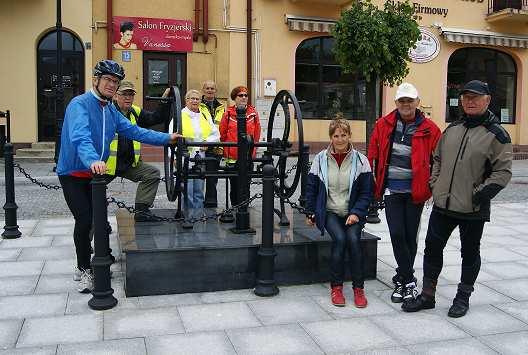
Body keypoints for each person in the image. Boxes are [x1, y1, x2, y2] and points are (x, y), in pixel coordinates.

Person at [57, 60, 180, 293]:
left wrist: (166, 138)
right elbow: (80, 136)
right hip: (74, 172)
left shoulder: (111, 110)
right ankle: (83, 269)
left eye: (115, 81)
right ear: (96, 80)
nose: (112, 85)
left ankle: (99, 260)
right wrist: (93, 159)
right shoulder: (79, 104)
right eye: (108, 80)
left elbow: (134, 131)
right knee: (84, 221)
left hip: (96, 176)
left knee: (99, 220)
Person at [402, 80, 513, 317]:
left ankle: (462, 297)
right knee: (432, 248)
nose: (469, 101)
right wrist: (435, 184)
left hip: (473, 208)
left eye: (475, 97)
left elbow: (502, 172)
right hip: (443, 205)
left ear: (487, 100)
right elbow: (438, 158)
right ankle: (428, 295)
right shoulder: (452, 128)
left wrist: (479, 195)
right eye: (465, 97)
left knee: (469, 253)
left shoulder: (497, 134)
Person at [368, 83, 441, 306]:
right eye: (402, 101)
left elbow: (438, 160)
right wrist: (372, 185)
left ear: (418, 102)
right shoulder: (384, 124)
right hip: (392, 189)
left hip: (415, 191)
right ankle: (409, 281)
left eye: (410, 101)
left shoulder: (430, 128)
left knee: (410, 236)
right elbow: (373, 154)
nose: (406, 105)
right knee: (398, 234)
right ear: (396, 103)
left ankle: (402, 276)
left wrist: (431, 186)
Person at [305, 118, 373, 308]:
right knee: (341, 240)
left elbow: (367, 193)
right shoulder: (320, 159)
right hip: (330, 211)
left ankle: (359, 289)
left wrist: (357, 213)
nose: (340, 139)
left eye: (344, 135)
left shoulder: (361, 161)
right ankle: (336, 288)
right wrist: (310, 212)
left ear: (350, 136)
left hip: (353, 212)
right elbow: (311, 188)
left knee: (353, 240)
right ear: (331, 137)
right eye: (336, 135)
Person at [107, 80, 172, 222]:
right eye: (124, 94)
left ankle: (142, 212)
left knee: (152, 173)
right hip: (107, 165)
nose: (128, 98)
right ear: (115, 96)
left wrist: (164, 100)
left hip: (129, 164)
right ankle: (99, 224)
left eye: (130, 95)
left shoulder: (135, 112)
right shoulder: (106, 112)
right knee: (94, 191)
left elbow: (155, 118)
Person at [180, 89, 220, 219]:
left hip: (200, 157)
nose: (195, 101)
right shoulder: (180, 115)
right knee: (187, 190)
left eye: (197, 99)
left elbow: (215, 134)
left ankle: (197, 216)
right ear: (186, 100)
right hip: (185, 157)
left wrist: (207, 142)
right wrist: (173, 157)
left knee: (198, 190)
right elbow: (172, 136)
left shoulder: (204, 115)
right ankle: (187, 216)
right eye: (192, 98)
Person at [219, 86, 261, 206]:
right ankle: (235, 207)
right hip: (232, 155)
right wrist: (228, 149)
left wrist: (253, 150)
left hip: (247, 155)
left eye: (245, 95)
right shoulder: (228, 113)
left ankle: (244, 207)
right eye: (240, 95)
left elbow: (257, 132)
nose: (243, 97)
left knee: (246, 184)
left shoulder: (253, 113)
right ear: (234, 98)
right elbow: (222, 133)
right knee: (234, 185)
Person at [200, 80, 225, 208]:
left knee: (212, 176)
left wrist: (221, 146)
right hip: (201, 145)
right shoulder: (197, 105)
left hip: (216, 146)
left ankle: (211, 202)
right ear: (203, 90)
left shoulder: (222, 107)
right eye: (207, 88)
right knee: (198, 175)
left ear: (216, 91)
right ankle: (196, 203)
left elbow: (224, 128)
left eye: (212, 88)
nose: (210, 90)